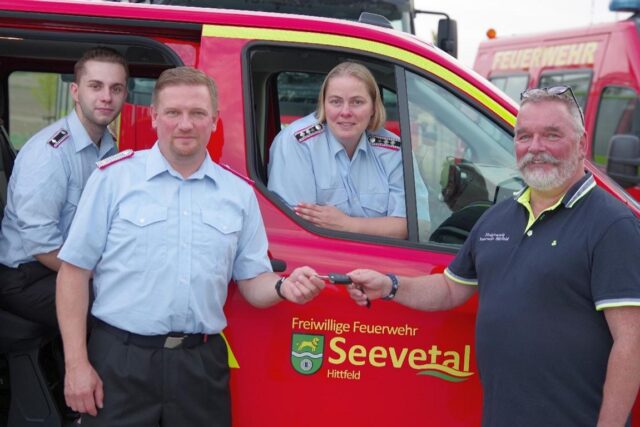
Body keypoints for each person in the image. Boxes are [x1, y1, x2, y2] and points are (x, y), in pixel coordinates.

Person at [347, 86, 640, 426]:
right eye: (524, 136)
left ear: (581, 143)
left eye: (551, 135)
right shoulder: (497, 218)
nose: (535, 147)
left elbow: (631, 342)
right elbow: (450, 288)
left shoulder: (611, 225)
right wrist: (390, 286)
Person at [56, 66, 325, 426]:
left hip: (200, 366)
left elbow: (252, 281)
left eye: (197, 113)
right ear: (154, 117)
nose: (185, 124)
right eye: (173, 113)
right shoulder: (113, 179)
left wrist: (282, 287)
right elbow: (74, 273)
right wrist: (76, 365)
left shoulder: (239, 194)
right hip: (120, 363)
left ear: (214, 120)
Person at [0, 46, 128, 328]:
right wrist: (100, 272)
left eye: (116, 88)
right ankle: (81, 372)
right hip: (28, 275)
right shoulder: (51, 153)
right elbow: (40, 244)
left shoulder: (108, 148)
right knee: (121, 308)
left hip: (66, 266)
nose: (106, 97)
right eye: (95, 86)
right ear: (74, 91)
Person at [267, 61, 407, 239]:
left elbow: (406, 226)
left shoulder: (392, 150)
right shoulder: (297, 143)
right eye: (336, 102)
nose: (345, 112)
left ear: (373, 107)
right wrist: (376, 226)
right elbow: (296, 230)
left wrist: (348, 225)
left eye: (357, 102)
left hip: (383, 264)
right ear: (323, 105)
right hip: (321, 261)